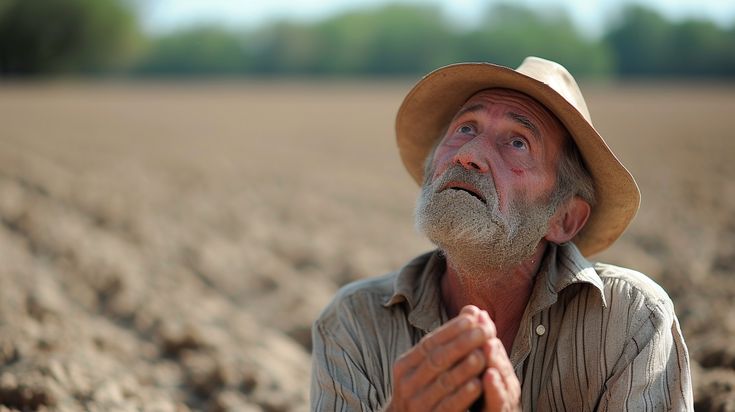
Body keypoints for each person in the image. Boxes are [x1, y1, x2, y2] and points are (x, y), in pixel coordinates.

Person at [310, 57, 693, 411]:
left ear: (565, 219)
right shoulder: (352, 324)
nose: (469, 154)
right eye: (465, 128)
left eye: (517, 143)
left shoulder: (631, 322)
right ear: (431, 169)